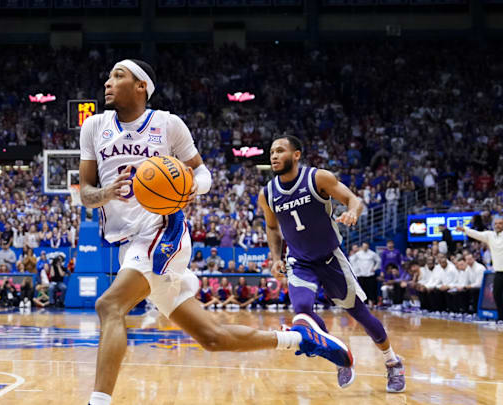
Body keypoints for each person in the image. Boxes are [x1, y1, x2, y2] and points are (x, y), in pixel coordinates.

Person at [80, 60, 352, 405]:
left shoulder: (167, 124)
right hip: (128, 241)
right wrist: (105, 192)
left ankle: (98, 402)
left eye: (118, 75)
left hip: (162, 229)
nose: (107, 82)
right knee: (212, 338)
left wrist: (192, 188)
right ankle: (302, 339)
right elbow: (86, 193)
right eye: (108, 76)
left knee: (110, 305)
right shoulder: (93, 126)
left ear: (141, 86)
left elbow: (202, 173)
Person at [259, 135, 404, 392]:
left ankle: (392, 361)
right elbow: (272, 227)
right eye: (271, 151)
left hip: (330, 258)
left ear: (296, 154)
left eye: (280, 150)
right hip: (300, 261)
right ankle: (339, 355)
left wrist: (352, 212)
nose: (273, 156)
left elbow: (354, 199)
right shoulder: (268, 193)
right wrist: (275, 258)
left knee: (360, 313)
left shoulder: (318, 178)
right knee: (302, 311)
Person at [457, 218, 503, 322]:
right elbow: (476, 234)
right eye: (496, 224)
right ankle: (501, 318)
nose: (498, 225)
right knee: (496, 295)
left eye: (500, 223)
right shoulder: (489, 235)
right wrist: (464, 229)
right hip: (498, 272)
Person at [349, 242, 381, 307]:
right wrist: (356, 270)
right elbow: (351, 260)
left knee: (371, 290)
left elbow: (379, 260)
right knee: (362, 290)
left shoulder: (372, 254)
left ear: (368, 246)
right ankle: (363, 304)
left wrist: (375, 268)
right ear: (362, 247)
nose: (365, 247)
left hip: (370, 275)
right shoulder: (358, 254)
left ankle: (371, 303)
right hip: (361, 275)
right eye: (363, 246)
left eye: (366, 246)